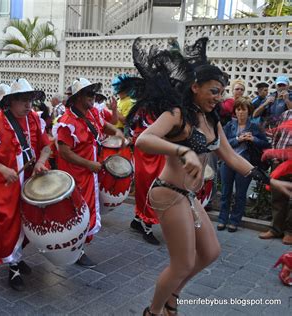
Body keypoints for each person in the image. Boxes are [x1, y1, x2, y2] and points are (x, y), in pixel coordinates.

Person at [128, 38, 292, 316]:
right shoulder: (177, 114)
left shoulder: (213, 119)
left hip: (188, 196)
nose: (218, 97)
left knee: (211, 252)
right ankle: (154, 312)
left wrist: (269, 180)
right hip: (168, 191)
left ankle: (173, 297)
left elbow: (231, 157)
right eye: (213, 91)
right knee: (182, 263)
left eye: (222, 92)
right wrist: (182, 150)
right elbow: (144, 140)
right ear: (195, 87)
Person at [0, 78, 51, 291]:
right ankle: (12, 266)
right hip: (6, 184)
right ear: (11, 102)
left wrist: (41, 163)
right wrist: (3, 169)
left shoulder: (34, 119)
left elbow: (46, 147)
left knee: (28, 222)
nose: (28, 105)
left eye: (30, 101)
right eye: (23, 101)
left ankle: (17, 257)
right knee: (9, 224)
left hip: (30, 181)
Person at [52, 78, 126, 268]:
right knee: (77, 211)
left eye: (94, 94)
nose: (93, 98)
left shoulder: (92, 113)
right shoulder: (67, 121)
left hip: (89, 173)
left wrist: (117, 134)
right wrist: (88, 164)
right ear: (78, 97)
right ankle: (76, 249)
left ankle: (80, 245)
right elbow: (64, 152)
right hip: (76, 175)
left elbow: (107, 125)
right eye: (89, 94)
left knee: (89, 208)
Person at [217, 97, 269, 232]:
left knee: (240, 194)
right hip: (228, 162)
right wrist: (237, 139)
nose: (240, 112)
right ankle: (222, 219)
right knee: (225, 192)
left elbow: (266, 144)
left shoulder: (254, 127)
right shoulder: (229, 125)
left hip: (245, 163)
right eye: (238, 109)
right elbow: (221, 142)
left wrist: (254, 139)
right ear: (235, 111)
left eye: (243, 110)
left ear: (249, 111)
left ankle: (234, 221)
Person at [125, 104, 165, 245]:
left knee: (155, 188)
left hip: (158, 153)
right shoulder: (141, 110)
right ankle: (147, 227)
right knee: (147, 188)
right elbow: (133, 130)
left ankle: (137, 220)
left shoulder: (163, 110)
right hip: (145, 154)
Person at [259, 109, 292, 245]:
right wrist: (274, 154)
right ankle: (275, 229)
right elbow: (276, 136)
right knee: (277, 197)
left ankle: (290, 232)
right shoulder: (287, 114)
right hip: (280, 162)